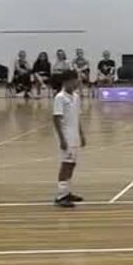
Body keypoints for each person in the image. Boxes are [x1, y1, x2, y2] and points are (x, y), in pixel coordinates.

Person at [51, 70, 86, 208]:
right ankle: (60, 196)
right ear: (67, 81)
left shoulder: (76, 97)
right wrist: (62, 139)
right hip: (66, 136)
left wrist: (82, 134)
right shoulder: (60, 97)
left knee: (72, 164)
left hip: (74, 136)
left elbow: (77, 117)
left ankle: (67, 192)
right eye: (75, 80)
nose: (77, 83)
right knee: (66, 164)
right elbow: (56, 118)